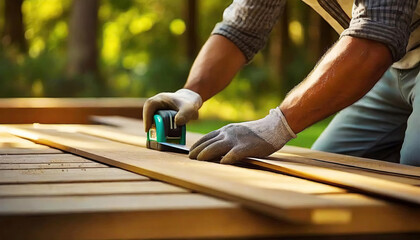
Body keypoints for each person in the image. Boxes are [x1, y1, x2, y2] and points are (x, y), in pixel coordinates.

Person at [143, 0, 420, 166]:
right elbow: (241, 28)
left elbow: (375, 35)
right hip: (393, 66)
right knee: (324, 169)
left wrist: (276, 125)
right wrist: (191, 92)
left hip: (378, 54)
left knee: (412, 176)